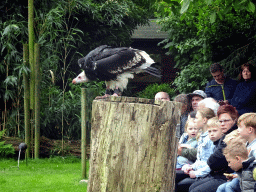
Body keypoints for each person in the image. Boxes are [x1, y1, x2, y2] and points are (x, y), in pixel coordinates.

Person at [189, 101, 239, 192]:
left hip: (227, 176)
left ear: (234, 120)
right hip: (216, 174)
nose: (222, 124)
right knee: (192, 187)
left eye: (226, 120)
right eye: (220, 121)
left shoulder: (233, 136)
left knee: (195, 190)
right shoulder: (225, 135)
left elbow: (214, 161)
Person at [175, 108, 215, 192]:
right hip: (197, 170)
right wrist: (191, 167)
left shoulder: (210, 138)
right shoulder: (201, 136)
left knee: (182, 184)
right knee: (171, 175)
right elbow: (200, 160)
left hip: (205, 174)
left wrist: (196, 173)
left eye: (196, 118)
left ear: (204, 120)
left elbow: (209, 162)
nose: (194, 120)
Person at [217, 113, 256, 192]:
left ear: (250, 130)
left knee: (229, 187)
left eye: (240, 127)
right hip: (244, 177)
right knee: (222, 188)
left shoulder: (254, 148)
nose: (237, 130)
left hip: (251, 182)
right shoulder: (246, 144)